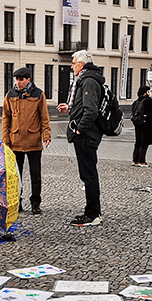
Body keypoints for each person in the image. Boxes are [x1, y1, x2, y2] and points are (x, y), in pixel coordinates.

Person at [56, 49, 106, 226]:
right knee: (88, 174)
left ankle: (92, 214)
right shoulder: (85, 80)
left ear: (82, 65)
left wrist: (79, 130)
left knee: (89, 175)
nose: (71, 66)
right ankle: (92, 212)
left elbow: (90, 111)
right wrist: (69, 110)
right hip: (86, 134)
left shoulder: (89, 81)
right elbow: (84, 107)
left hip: (86, 135)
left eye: (73, 63)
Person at [1, 66, 51, 212]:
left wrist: (46, 135)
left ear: (28, 79)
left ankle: (36, 204)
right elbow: (6, 119)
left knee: (36, 175)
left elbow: (44, 117)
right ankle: (17, 202)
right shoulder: (10, 95)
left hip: (34, 141)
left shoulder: (38, 94)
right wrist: (6, 140)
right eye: (16, 79)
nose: (18, 82)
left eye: (21, 79)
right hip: (15, 142)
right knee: (16, 176)